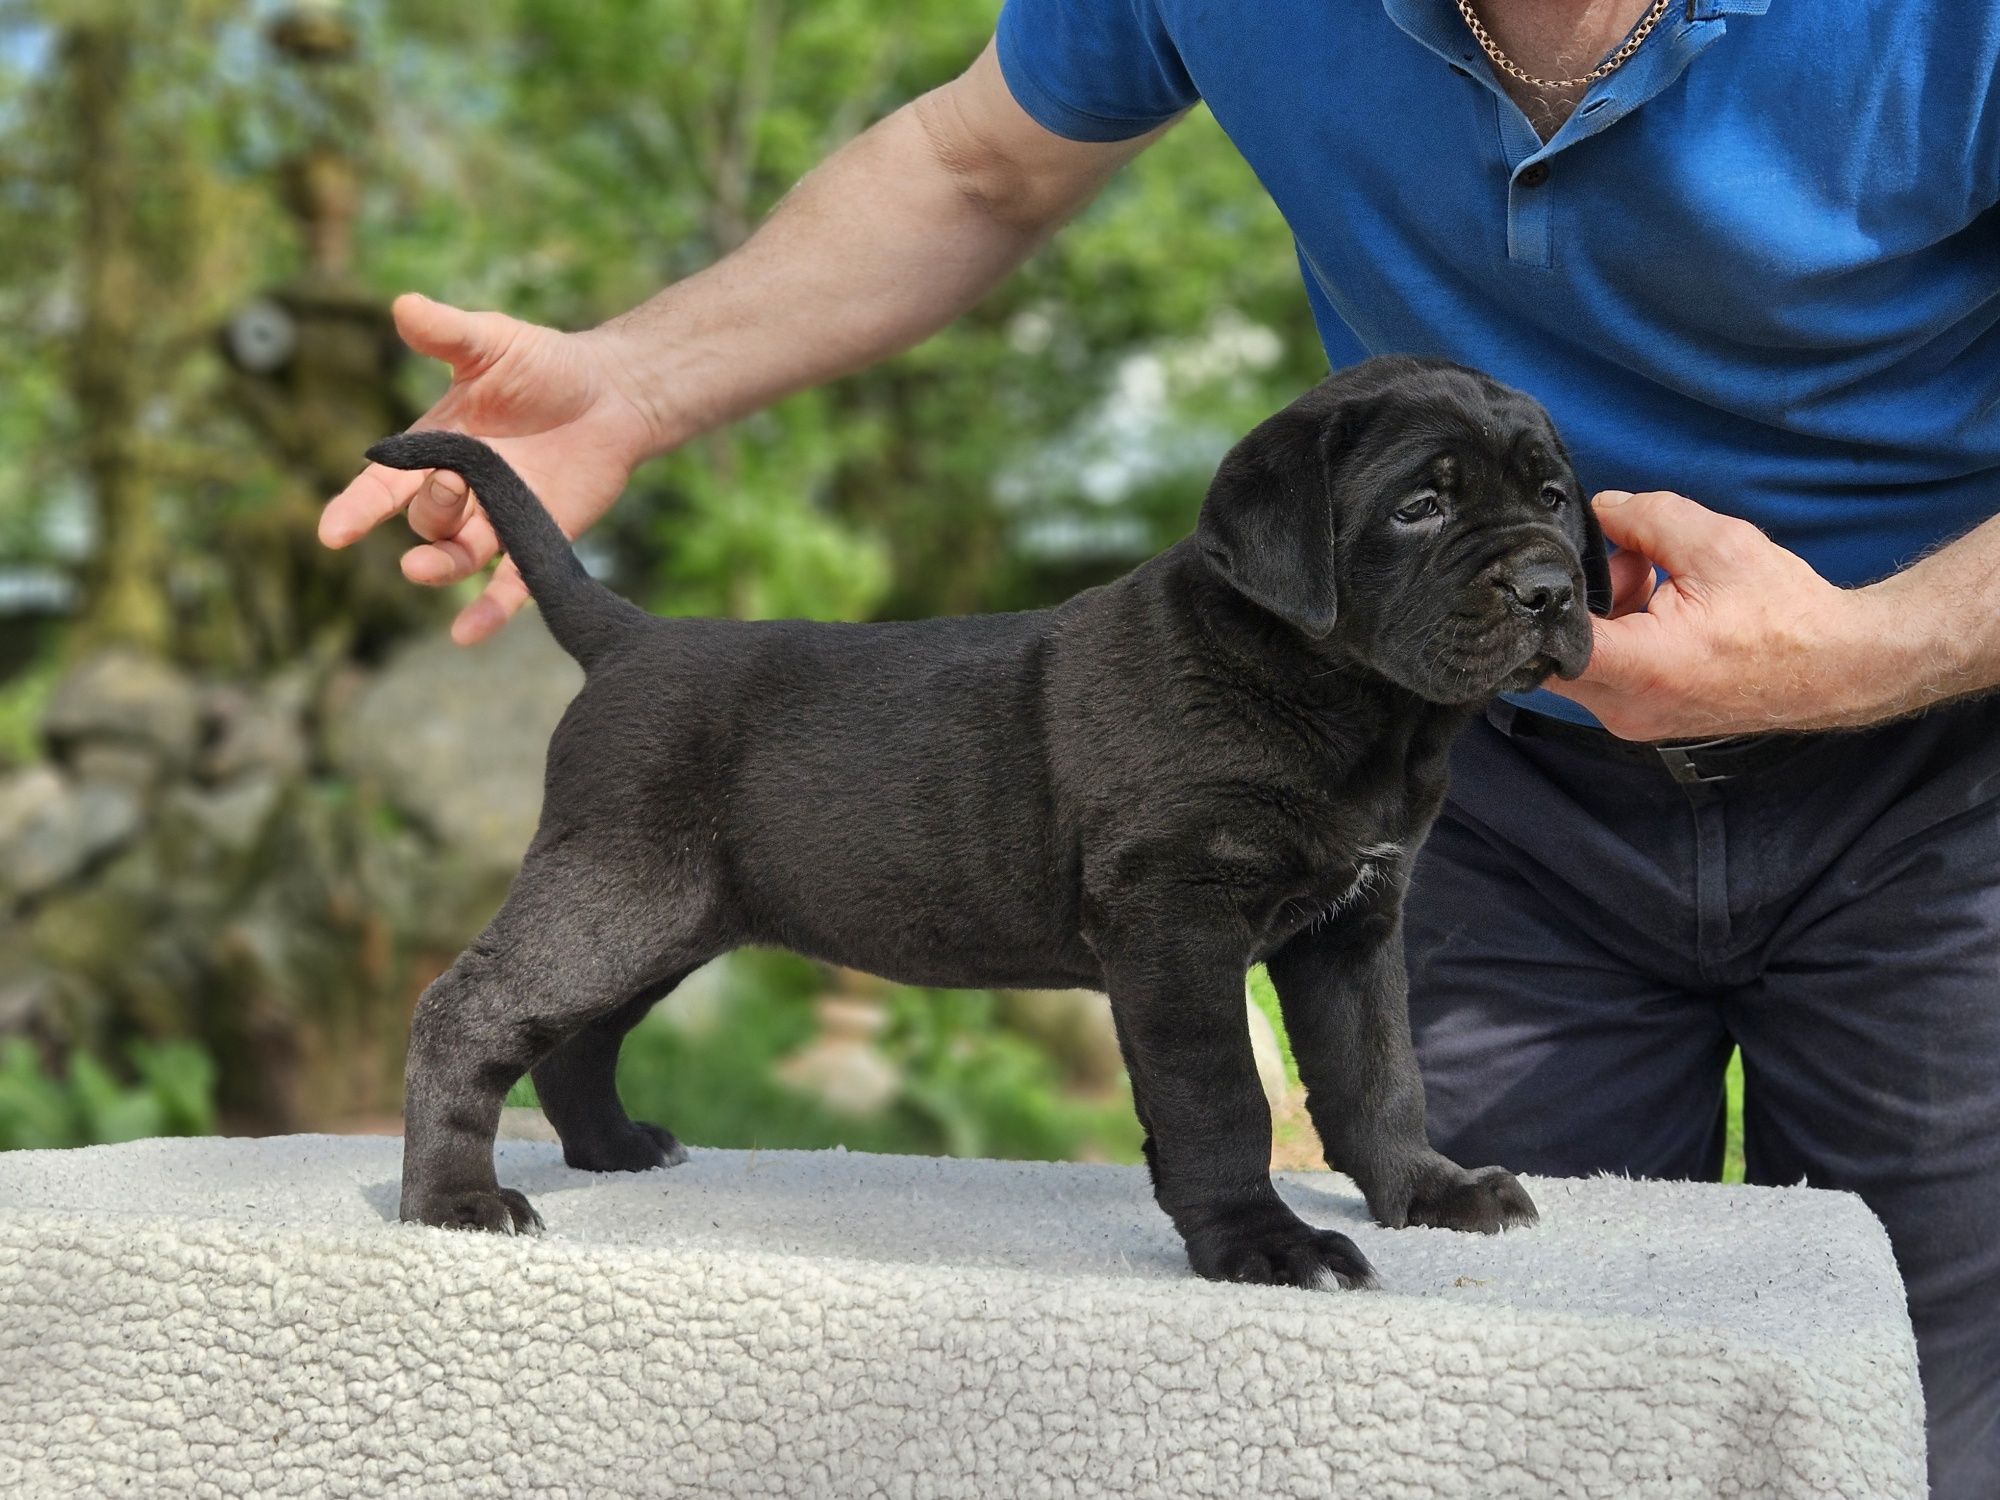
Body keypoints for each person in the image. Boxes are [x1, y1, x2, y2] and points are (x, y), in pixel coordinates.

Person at [320, 5, 2000, 1493]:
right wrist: (632, 380)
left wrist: (1871, 647)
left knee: (1927, 1401)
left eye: (1536, 508)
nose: (1528, 547)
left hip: (1946, 760)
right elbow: (977, 163)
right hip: (1494, 769)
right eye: (1436, 507)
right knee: (1478, 1393)